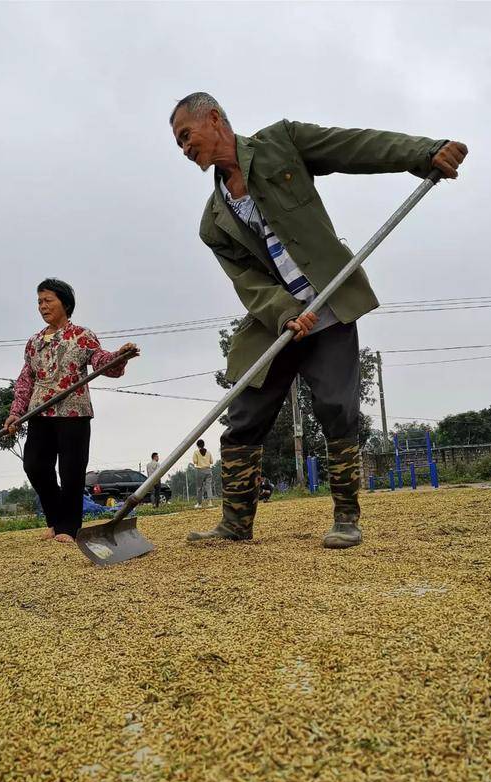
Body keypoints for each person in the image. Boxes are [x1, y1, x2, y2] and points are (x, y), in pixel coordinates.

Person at [170, 93, 467, 548]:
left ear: (213, 119)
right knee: (244, 416)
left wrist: (424, 152)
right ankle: (235, 524)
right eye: (179, 144)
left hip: (330, 301)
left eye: (186, 136)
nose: (184, 149)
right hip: (275, 323)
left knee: (335, 407)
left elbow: (354, 146)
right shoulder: (213, 222)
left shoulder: (281, 143)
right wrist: (285, 312)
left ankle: (347, 517)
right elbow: (246, 281)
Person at [4, 278, 139, 544]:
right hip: (39, 413)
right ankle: (55, 519)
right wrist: (16, 412)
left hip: (73, 413)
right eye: (39, 302)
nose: (43, 306)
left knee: (71, 471)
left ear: (65, 303)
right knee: (34, 465)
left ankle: (69, 526)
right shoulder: (34, 342)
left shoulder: (82, 336)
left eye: (48, 300)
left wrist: (119, 356)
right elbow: (26, 379)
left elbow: (101, 362)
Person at [192, 439, 214, 508]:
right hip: (208, 470)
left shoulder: (196, 452)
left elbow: (195, 461)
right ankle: (210, 502)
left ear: (197, 445)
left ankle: (199, 504)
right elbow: (211, 461)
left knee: (199, 488)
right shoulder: (209, 452)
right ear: (204, 444)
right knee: (209, 486)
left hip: (200, 470)